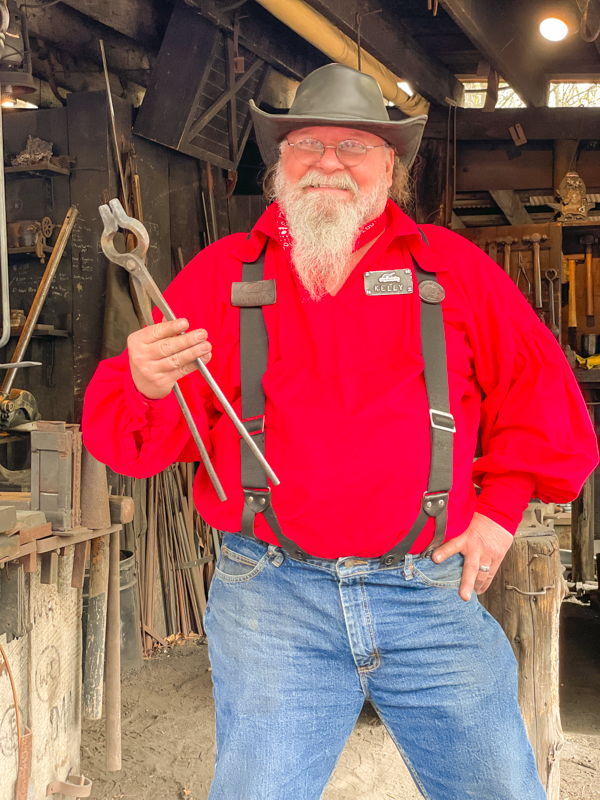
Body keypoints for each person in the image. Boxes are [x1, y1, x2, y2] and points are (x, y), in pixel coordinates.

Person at [83, 63, 598, 800]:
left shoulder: (453, 270)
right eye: (308, 143)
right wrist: (142, 382)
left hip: (429, 592)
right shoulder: (222, 275)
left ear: (390, 166)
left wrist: (498, 513)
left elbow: (543, 402)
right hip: (271, 599)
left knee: (501, 790)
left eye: (354, 146)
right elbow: (141, 446)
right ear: (279, 164)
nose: (329, 161)